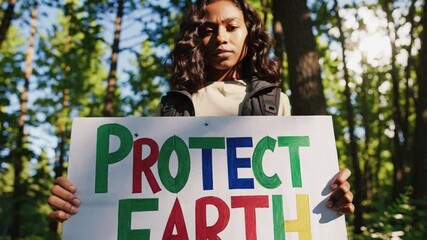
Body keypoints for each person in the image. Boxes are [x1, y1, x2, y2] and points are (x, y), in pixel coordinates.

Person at [48, 0, 355, 223]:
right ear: (196, 39)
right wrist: (84, 202)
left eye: (232, 27)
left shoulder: (277, 102)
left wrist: (329, 198)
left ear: (250, 35)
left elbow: (292, 192)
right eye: (209, 29)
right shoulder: (172, 106)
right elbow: (145, 191)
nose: (221, 37)